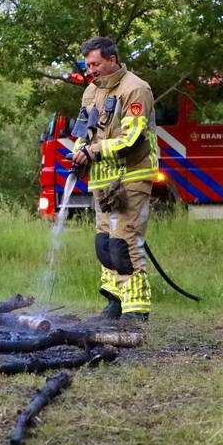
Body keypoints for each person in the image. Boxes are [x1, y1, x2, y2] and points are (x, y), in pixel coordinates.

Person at [71, 37, 159, 323]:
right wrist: (77, 152)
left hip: (131, 175)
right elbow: (83, 132)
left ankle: (136, 308)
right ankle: (114, 302)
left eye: (95, 64)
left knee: (123, 241)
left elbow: (131, 140)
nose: (91, 70)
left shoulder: (136, 89)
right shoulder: (90, 92)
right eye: (88, 65)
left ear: (112, 59)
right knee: (104, 243)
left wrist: (92, 152)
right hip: (102, 179)